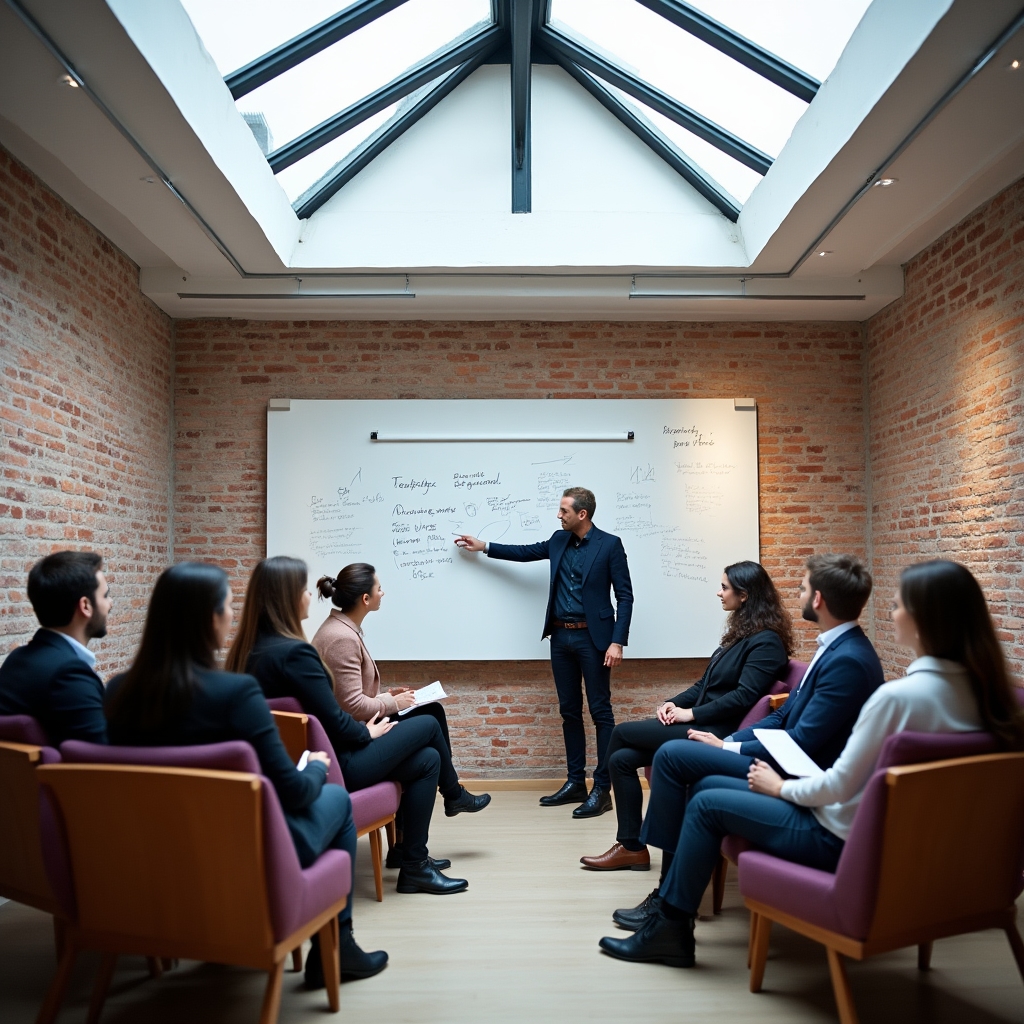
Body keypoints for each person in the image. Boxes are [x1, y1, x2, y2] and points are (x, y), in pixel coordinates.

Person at [599, 558, 1024, 968]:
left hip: (842, 837)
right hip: (920, 854)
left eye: (897, 605)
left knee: (703, 795)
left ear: (925, 618)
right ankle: (669, 916)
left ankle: (670, 925)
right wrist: (731, 749)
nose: (891, 613)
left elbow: (838, 785)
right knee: (702, 785)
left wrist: (779, 787)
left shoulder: (897, 698)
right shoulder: (995, 698)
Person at [105, 562, 387, 986]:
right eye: (228, 606)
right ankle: (337, 947)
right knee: (336, 801)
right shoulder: (235, 695)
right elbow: (293, 793)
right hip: (237, 854)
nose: (234, 615)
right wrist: (313, 768)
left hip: (148, 858)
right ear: (210, 618)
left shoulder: (116, 692)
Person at [612, 553, 882, 932]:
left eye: (803, 588)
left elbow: (800, 741)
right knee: (671, 763)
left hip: (794, 774)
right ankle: (667, 900)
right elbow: (783, 717)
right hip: (778, 757)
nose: (798, 594)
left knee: (672, 754)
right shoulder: (834, 648)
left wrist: (727, 747)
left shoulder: (848, 660)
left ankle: (664, 899)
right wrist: (733, 743)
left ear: (818, 599)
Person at [227, 555, 472, 895]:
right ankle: (448, 805)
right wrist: (366, 731)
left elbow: (325, 710)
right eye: (303, 590)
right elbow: (338, 715)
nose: (310, 597)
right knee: (429, 723)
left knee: (428, 759)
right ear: (287, 597)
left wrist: (381, 705)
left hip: (308, 759)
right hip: (337, 763)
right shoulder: (296, 654)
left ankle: (412, 860)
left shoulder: (250, 652)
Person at [581, 561, 792, 871]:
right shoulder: (740, 633)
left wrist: (688, 715)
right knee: (620, 759)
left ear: (744, 595)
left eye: (724, 587)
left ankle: (601, 793)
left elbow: (743, 697)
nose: (718, 593)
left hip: (714, 732)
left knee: (621, 732)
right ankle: (631, 847)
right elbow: (703, 685)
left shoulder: (766, 642)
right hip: (701, 721)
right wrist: (672, 703)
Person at [456, 486, 633, 817]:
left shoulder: (610, 545)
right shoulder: (557, 539)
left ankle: (602, 789)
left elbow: (625, 596)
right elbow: (524, 552)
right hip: (560, 639)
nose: (558, 515)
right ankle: (575, 782)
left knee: (600, 712)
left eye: (564, 510)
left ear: (582, 514)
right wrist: (484, 547)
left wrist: (617, 641)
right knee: (568, 711)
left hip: (594, 641)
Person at [311, 562, 490, 825]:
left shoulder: (342, 629)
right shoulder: (341, 639)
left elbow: (347, 694)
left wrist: (387, 696)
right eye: (379, 589)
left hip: (356, 730)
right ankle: (453, 793)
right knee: (429, 727)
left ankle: (450, 798)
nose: (382, 593)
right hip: (350, 745)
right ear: (365, 599)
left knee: (431, 709)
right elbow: (352, 706)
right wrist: (392, 702)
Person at [0, 550, 112, 744]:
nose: (110, 604)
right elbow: (105, 758)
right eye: (106, 596)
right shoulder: (68, 675)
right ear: (85, 606)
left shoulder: (15, 660)